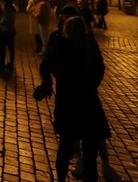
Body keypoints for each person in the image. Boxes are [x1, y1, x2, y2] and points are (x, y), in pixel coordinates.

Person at [35, 14, 111, 182]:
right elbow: (100, 68)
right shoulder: (89, 46)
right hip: (89, 102)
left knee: (65, 146)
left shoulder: (61, 47)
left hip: (66, 101)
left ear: (66, 30)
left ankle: (61, 178)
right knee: (90, 150)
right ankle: (90, 176)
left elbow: (46, 65)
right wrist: (91, 85)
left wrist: (52, 80)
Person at [0, 0, 17, 72]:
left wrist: (0, 22)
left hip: (7, 30)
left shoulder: (8, 8)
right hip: (12, 30)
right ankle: (10, 62)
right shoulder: (13, 8)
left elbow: (6, 20)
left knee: (3, 47)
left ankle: (2, 63)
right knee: (10, 47)